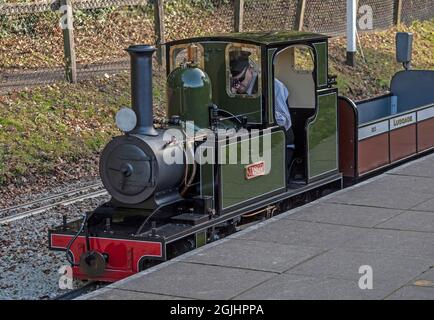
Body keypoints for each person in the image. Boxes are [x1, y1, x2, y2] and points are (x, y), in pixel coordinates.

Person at [230, 50, 295, 182]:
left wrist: (259, 113)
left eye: (240, 80)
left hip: (277, 145)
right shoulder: (230, 91)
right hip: (247, 144)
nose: (238, 86)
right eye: (233, 82)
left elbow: (284, 120)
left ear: (250, 69)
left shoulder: (273, 86)